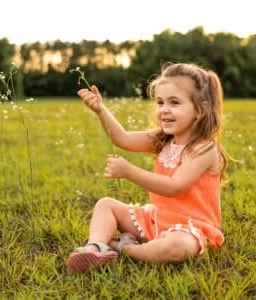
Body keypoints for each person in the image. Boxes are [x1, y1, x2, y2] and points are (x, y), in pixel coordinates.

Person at [66, 62, 228, 273]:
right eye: (160, 102)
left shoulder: (204, 149)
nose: (164, 110)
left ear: (200, 110)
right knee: (106, 204)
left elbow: (174, 186)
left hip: (189, 228)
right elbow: (122, 139)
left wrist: (128, 171)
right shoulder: (163, 138)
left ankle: (124, 248)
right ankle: (95, 247)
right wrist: (101, 110)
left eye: (174, 103)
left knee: (179, 247)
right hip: (156, 220)